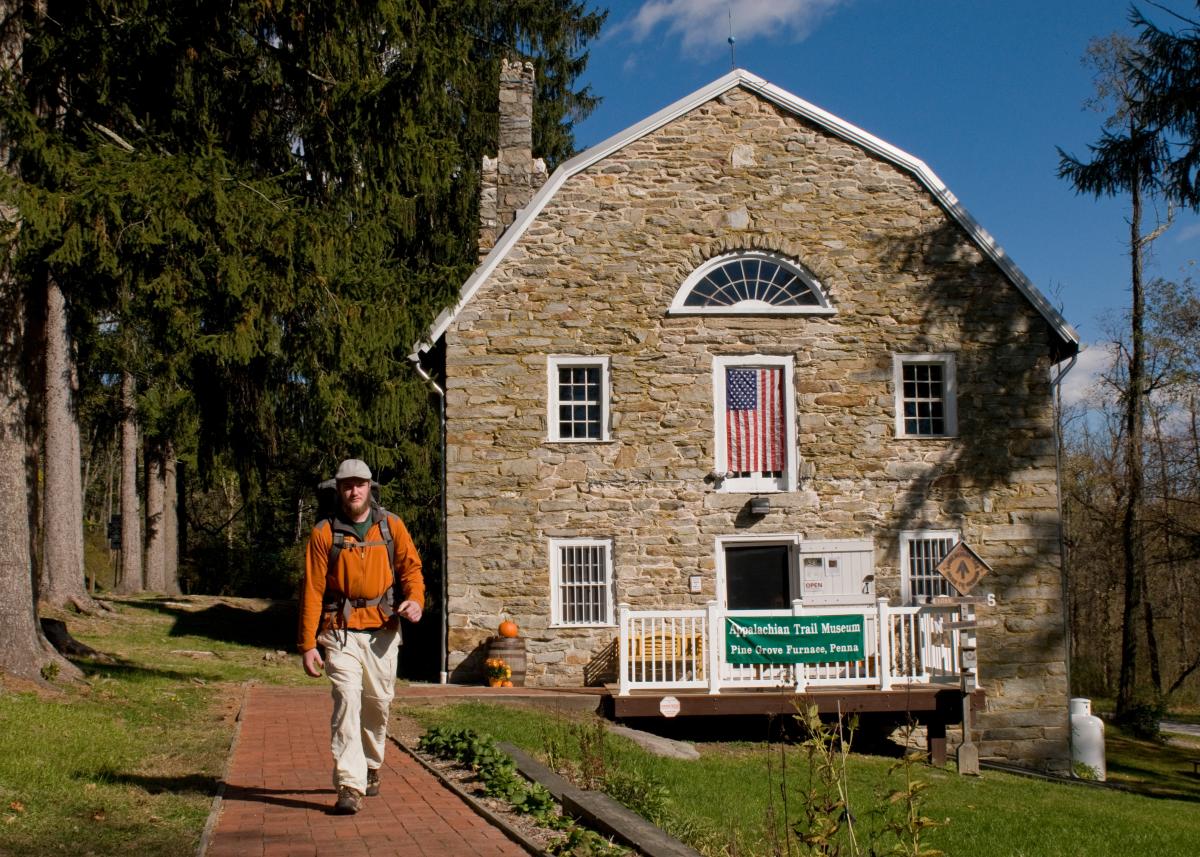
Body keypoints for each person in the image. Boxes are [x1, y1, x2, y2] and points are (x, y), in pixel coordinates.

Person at [298, 458, 424, 814]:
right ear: (338, 489)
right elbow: (312, 589)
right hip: (338, 631)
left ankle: (370, 765)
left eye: (360, 484)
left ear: (371, 487)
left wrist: (414, 600)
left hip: (383, 632)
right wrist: (307, 644)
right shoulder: (325, 532)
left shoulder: (391, 527)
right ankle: (349, 784)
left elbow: (411, 569)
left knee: (378, 704)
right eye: (347, 485)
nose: (354, 490)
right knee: (347, 700)